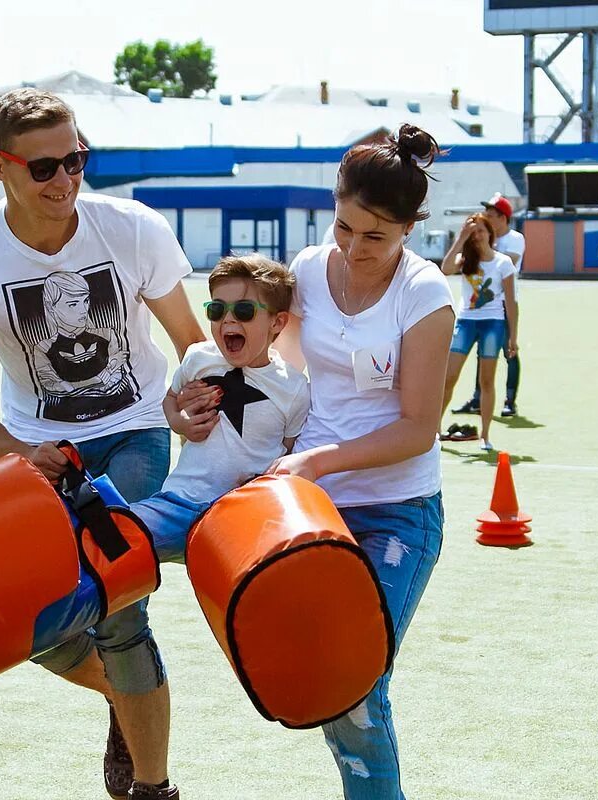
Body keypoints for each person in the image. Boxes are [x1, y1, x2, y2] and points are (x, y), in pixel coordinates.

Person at [0, 88, 205, 800]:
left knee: (118, 601)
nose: (65, 181)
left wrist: (191, 398)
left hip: (138, 428)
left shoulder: (133, 228)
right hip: (39, 449)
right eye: (44, 167)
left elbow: (192, 346)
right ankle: (124, 698)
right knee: (31, 620)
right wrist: (23, 454)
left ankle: (153, 787)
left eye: (76, 160)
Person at [188, 123, 452, 799]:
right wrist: (187, 404)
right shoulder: (306, 270)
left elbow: (419, 428)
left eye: (377, 236)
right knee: (329, 682)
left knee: (357, 682)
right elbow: (256, 351)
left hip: (396, 512)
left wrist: (316, 463)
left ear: (409, 229)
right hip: (308, 506)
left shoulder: (424, 295)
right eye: (344, 227)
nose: (355, 249)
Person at [131, 253, 309, 563]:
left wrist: (265, 482)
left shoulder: (293, 389)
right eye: (217, 310)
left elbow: (290, 453)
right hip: (179, 500)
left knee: (249, 593)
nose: (228, 320)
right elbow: (170, 399)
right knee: (118, 536)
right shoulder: (199, 358)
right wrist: (179, 423)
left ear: (277, 322)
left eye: (244, 310)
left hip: (244, 513)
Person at [438, 212, 518, 451]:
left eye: (481, 230)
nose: (477, 236)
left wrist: (513, 336)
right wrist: (460, 238)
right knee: (449, 377)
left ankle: (485, 435)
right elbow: (445, 268)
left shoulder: (503, 262)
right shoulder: (465, 259)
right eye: (473, 232)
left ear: (490, 233)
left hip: (492, 323)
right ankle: (435, 430)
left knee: (487, 380)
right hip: (466, 321)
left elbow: (511, 302)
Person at [451, 192, 525, 417]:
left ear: (503, 218)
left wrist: (483, 247)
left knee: (508, 352)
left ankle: (509, 401)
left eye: (491, 215)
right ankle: (477, 399)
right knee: (482, 355)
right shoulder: (481, 238)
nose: (486, 219)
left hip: (502, 305)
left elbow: (506, 262)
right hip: (476, 309)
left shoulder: (515, 238)